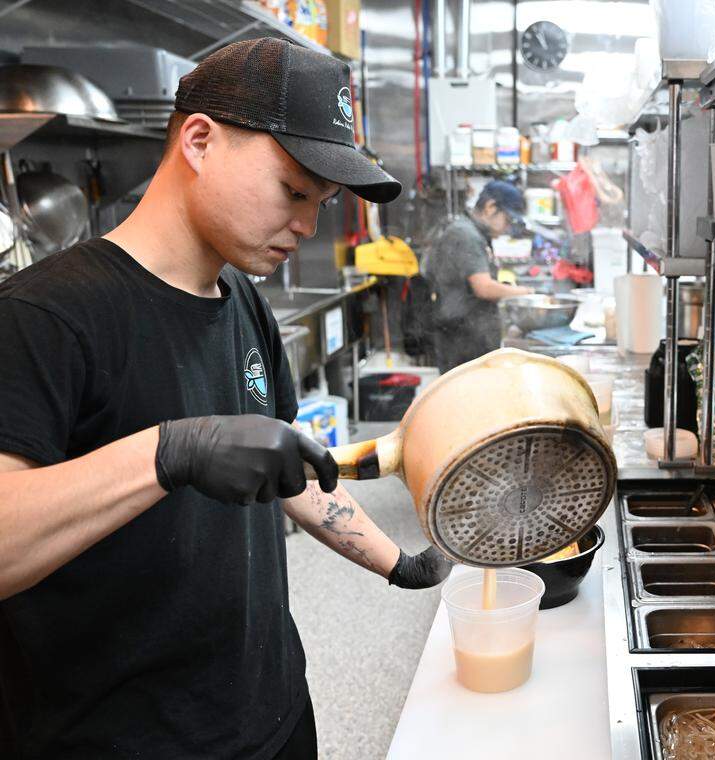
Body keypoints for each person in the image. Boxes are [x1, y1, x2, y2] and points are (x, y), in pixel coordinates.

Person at [0, 39, 451, 760]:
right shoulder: (44, 316)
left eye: (321, 203)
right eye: (293, 191)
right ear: (200, 142)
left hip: (273, 715)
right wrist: (169, 452)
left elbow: (291, 473)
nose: (307, 226)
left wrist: (399, 564)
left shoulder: (241, 296)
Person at [422, 180, 533, 373]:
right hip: (463, 340)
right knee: (465, 391)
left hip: (468, 336)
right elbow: (483, 288)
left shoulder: (471, 232)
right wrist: (525, 292)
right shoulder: (466, 235)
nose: (508, 227)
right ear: (490, 207)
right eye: (508, 219)